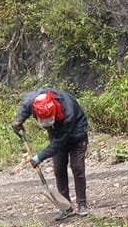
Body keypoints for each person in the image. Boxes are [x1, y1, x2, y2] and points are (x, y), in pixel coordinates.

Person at [12, 88, 90, 219]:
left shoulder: (68, 113)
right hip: (57, 134)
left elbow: (59, 143)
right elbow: (26, 107)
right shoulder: (33, 102)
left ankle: (82, 204)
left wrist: (39, 157)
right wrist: (19, 120)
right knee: (59, 170)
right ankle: (66, 207)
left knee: (77, 168)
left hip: (77, 135)